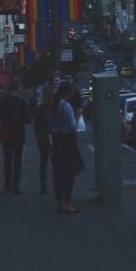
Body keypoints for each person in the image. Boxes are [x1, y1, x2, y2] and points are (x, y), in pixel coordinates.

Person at [50, 80, 81, 214]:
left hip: (56, 141)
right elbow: (72, 126)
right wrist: (77, 116)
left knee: (58, 174)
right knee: (69, 175)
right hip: (67, 141)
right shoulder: (66, 106)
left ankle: (59, 203)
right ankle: (67, 203)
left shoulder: (53, 104)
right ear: (68, 93)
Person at [0, 78, 32, 194]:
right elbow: (28, 119)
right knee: (17, 159)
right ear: (18, 89)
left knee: (7, 158)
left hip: (6, 131)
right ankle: (16, 184)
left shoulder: (3, 101)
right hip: (18, 133)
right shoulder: (22, 102)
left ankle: (8, 183)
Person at [33, 84, 53, 196]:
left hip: (43, 137)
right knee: (56, 162)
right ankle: (56, 184)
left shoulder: (40, 108)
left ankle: (43, 184)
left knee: (43, 162)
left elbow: (36, 125)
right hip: (53, 137)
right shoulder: (55, 107)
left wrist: (38, 136)